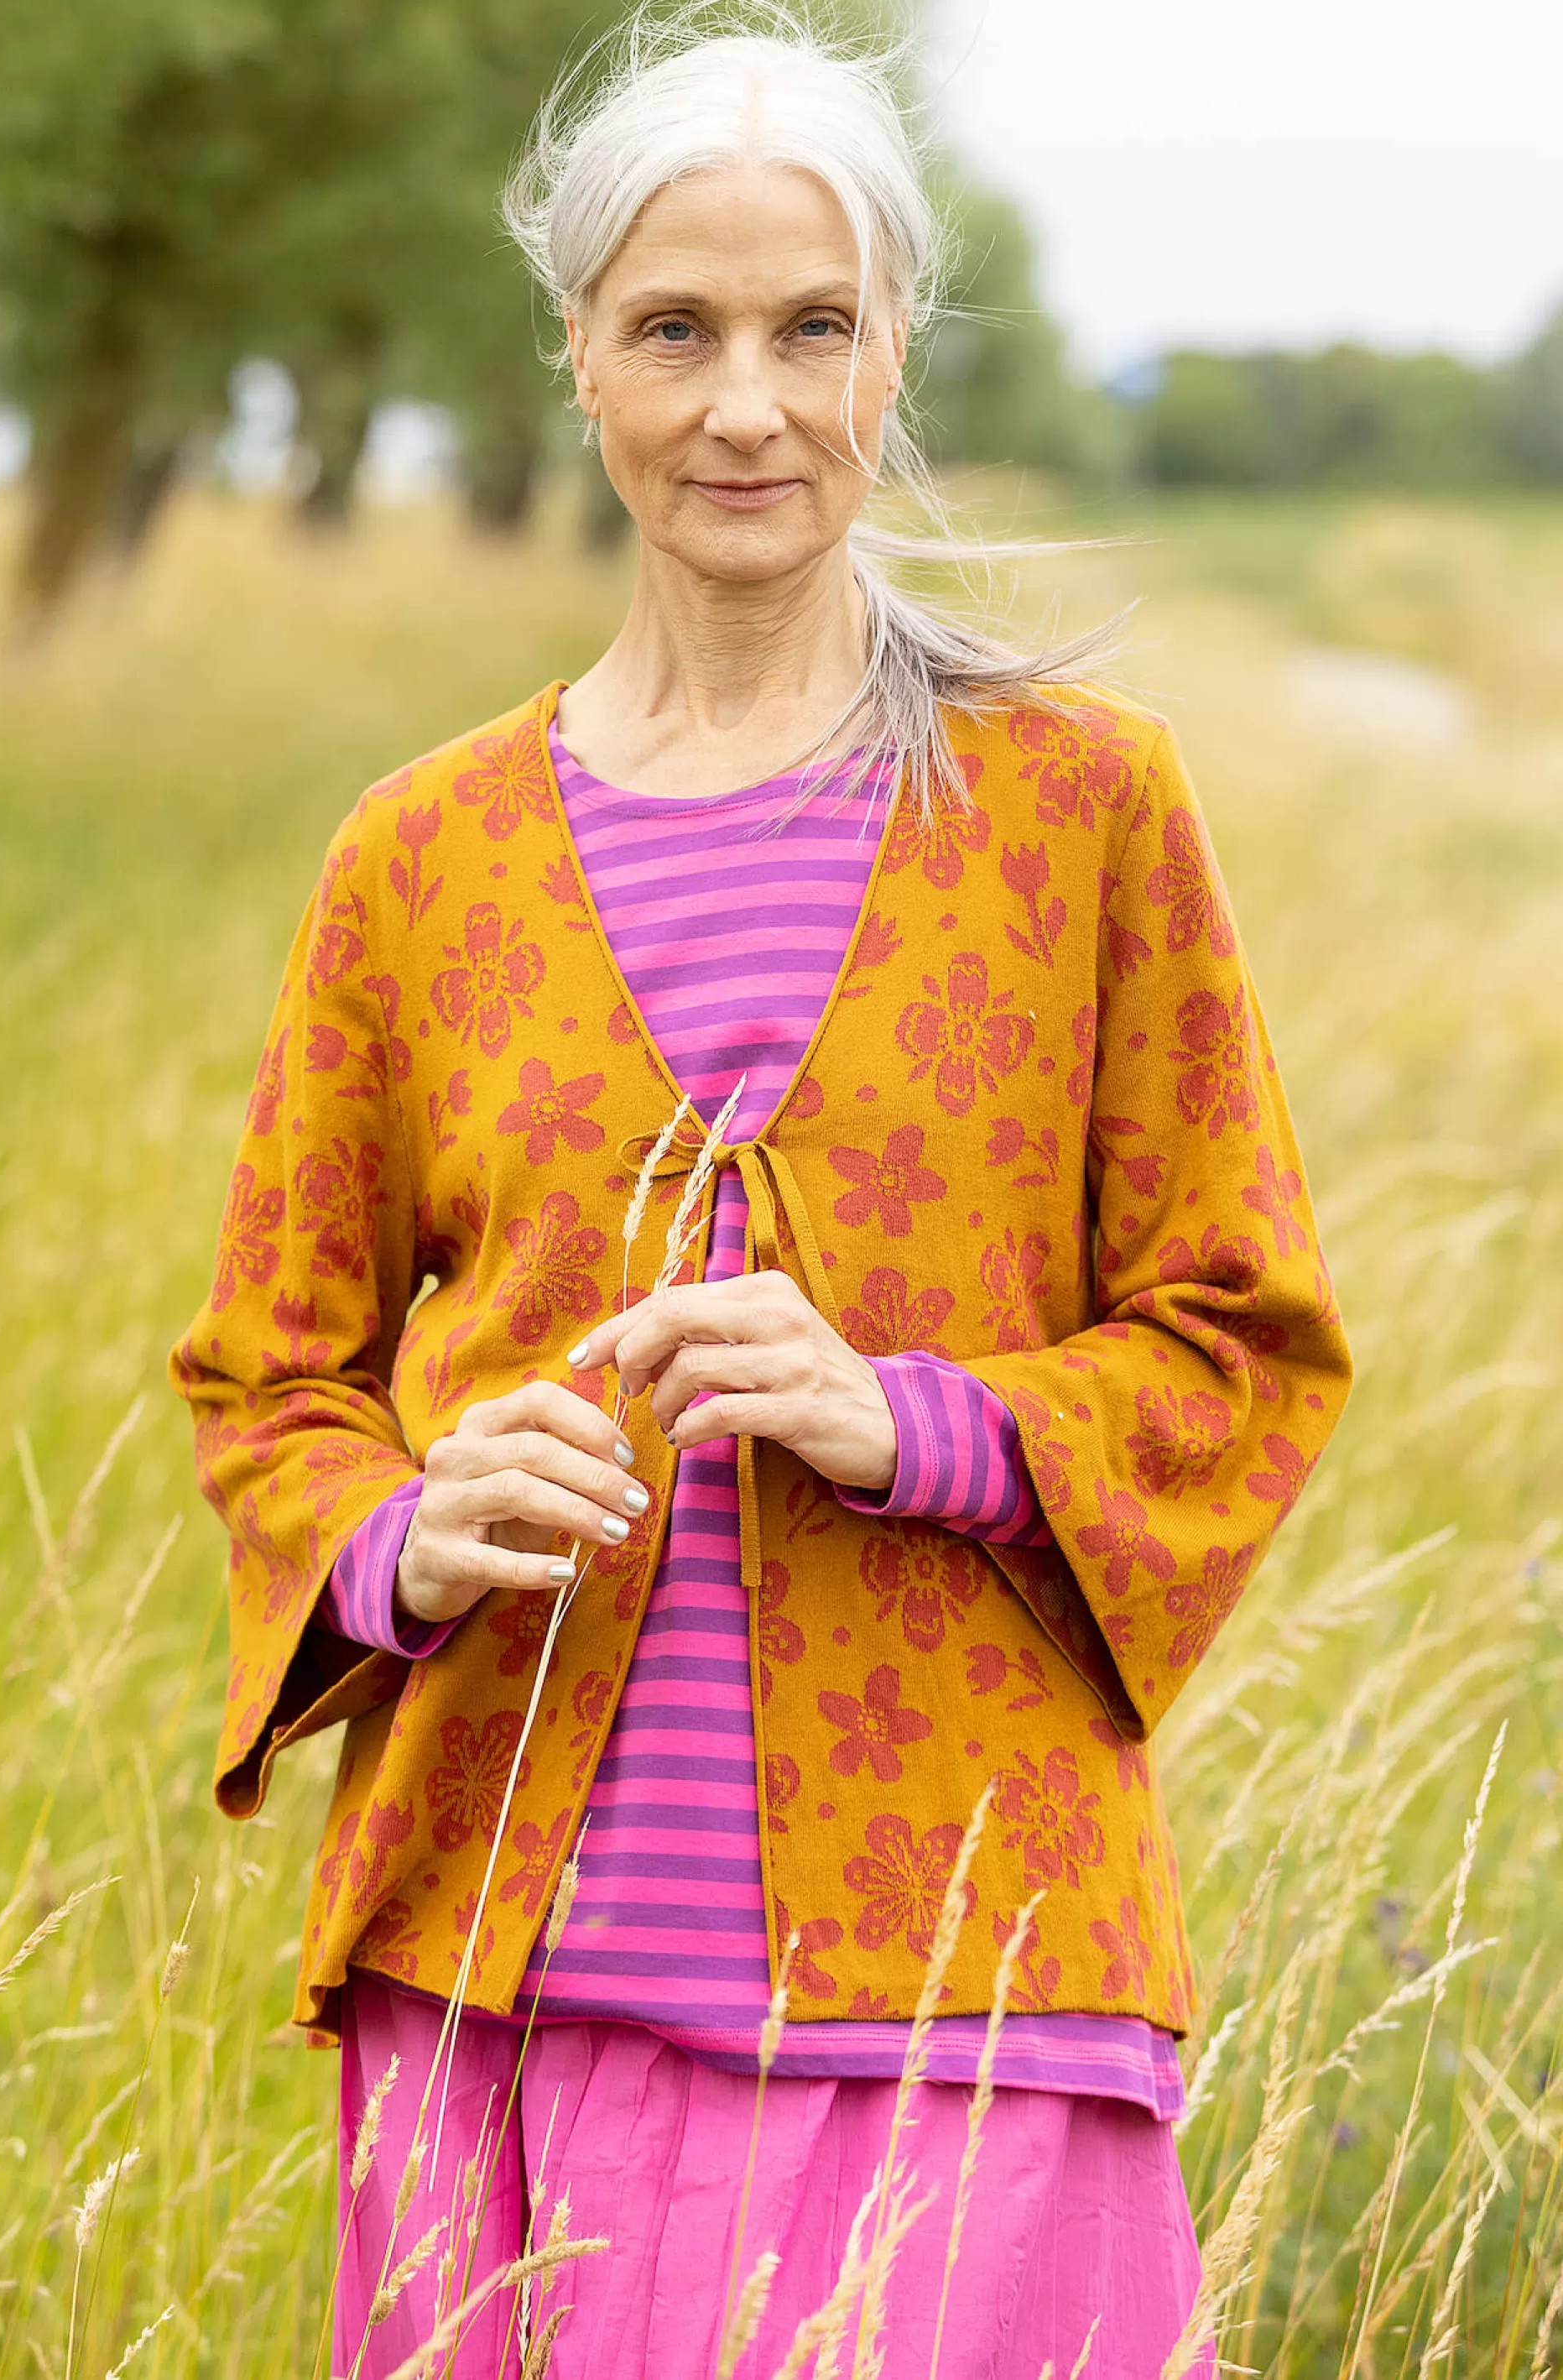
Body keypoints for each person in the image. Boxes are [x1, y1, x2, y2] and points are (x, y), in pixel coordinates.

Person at [170, 18, 1353, 2377]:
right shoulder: (415, 859)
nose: (748, 403)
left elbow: (1246, 1333)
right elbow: (267, 1370)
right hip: (494, 1994)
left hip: (970, 1995)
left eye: (813, 327)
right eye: (675, 330)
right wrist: (395, 1534)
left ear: (893, 348)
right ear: (580, 361)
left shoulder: (1086, 812)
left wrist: (911, 1416)